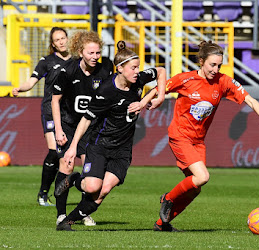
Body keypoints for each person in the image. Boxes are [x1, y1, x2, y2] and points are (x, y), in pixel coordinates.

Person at [152, 40, 259, 232]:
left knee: (195, 187)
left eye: (219, 65)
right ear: (201, 61)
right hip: (180, 136)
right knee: (202, 176)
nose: (216, 69)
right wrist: (148, 100)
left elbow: (249, 98)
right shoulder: (185, 79)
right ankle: (167, 198)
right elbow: (158, 89)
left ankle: (162, 224)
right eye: (212, 64)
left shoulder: (223, 81)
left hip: (198, 141)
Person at [54, 40, 166, 231]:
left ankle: (67, 223)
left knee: (102, 191)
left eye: (138, 67)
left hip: (122, 149)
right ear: (120, 68)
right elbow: (86, 119)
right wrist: (72, 147)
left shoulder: (138, 79)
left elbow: (162, 71)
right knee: (91, 188)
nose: (137, 71)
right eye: (133, 68)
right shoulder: (106, 91)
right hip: (100, 144)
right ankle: (74, 180)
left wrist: (155, 97)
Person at [51, 30, 113, 227]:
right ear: (80, 52)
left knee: (90, 175)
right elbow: (55, 100)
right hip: (69, 126)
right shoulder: (67, 71)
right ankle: (61, 214)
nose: (95, 57)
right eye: (90, 53)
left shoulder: (105, 70)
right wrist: (58, 130)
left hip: (93, 130)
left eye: (97, 53)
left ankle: (82, 212)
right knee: (66, 165)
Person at [12, 27, 72, 206]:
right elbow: (31, 81)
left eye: (63, 38)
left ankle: (57, 190)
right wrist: (19, 88)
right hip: (49, 110)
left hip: (69, 113)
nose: (61, 41)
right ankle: (43, 193)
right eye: (57, 40)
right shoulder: (47, 61)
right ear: (53, 44)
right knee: (54, 151)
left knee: (65, 155)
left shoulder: (77, 61)